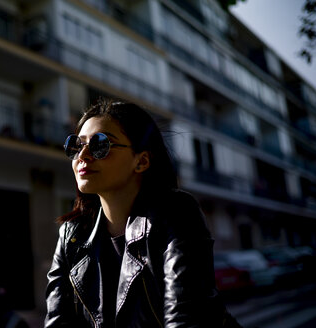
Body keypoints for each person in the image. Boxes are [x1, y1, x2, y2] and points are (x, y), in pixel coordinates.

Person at [45, 99, 241, 327]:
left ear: (142, 161)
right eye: (76, 145)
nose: (83, 155)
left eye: (100, 145)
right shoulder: (72, 235)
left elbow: (186, 319)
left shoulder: (175, 213)